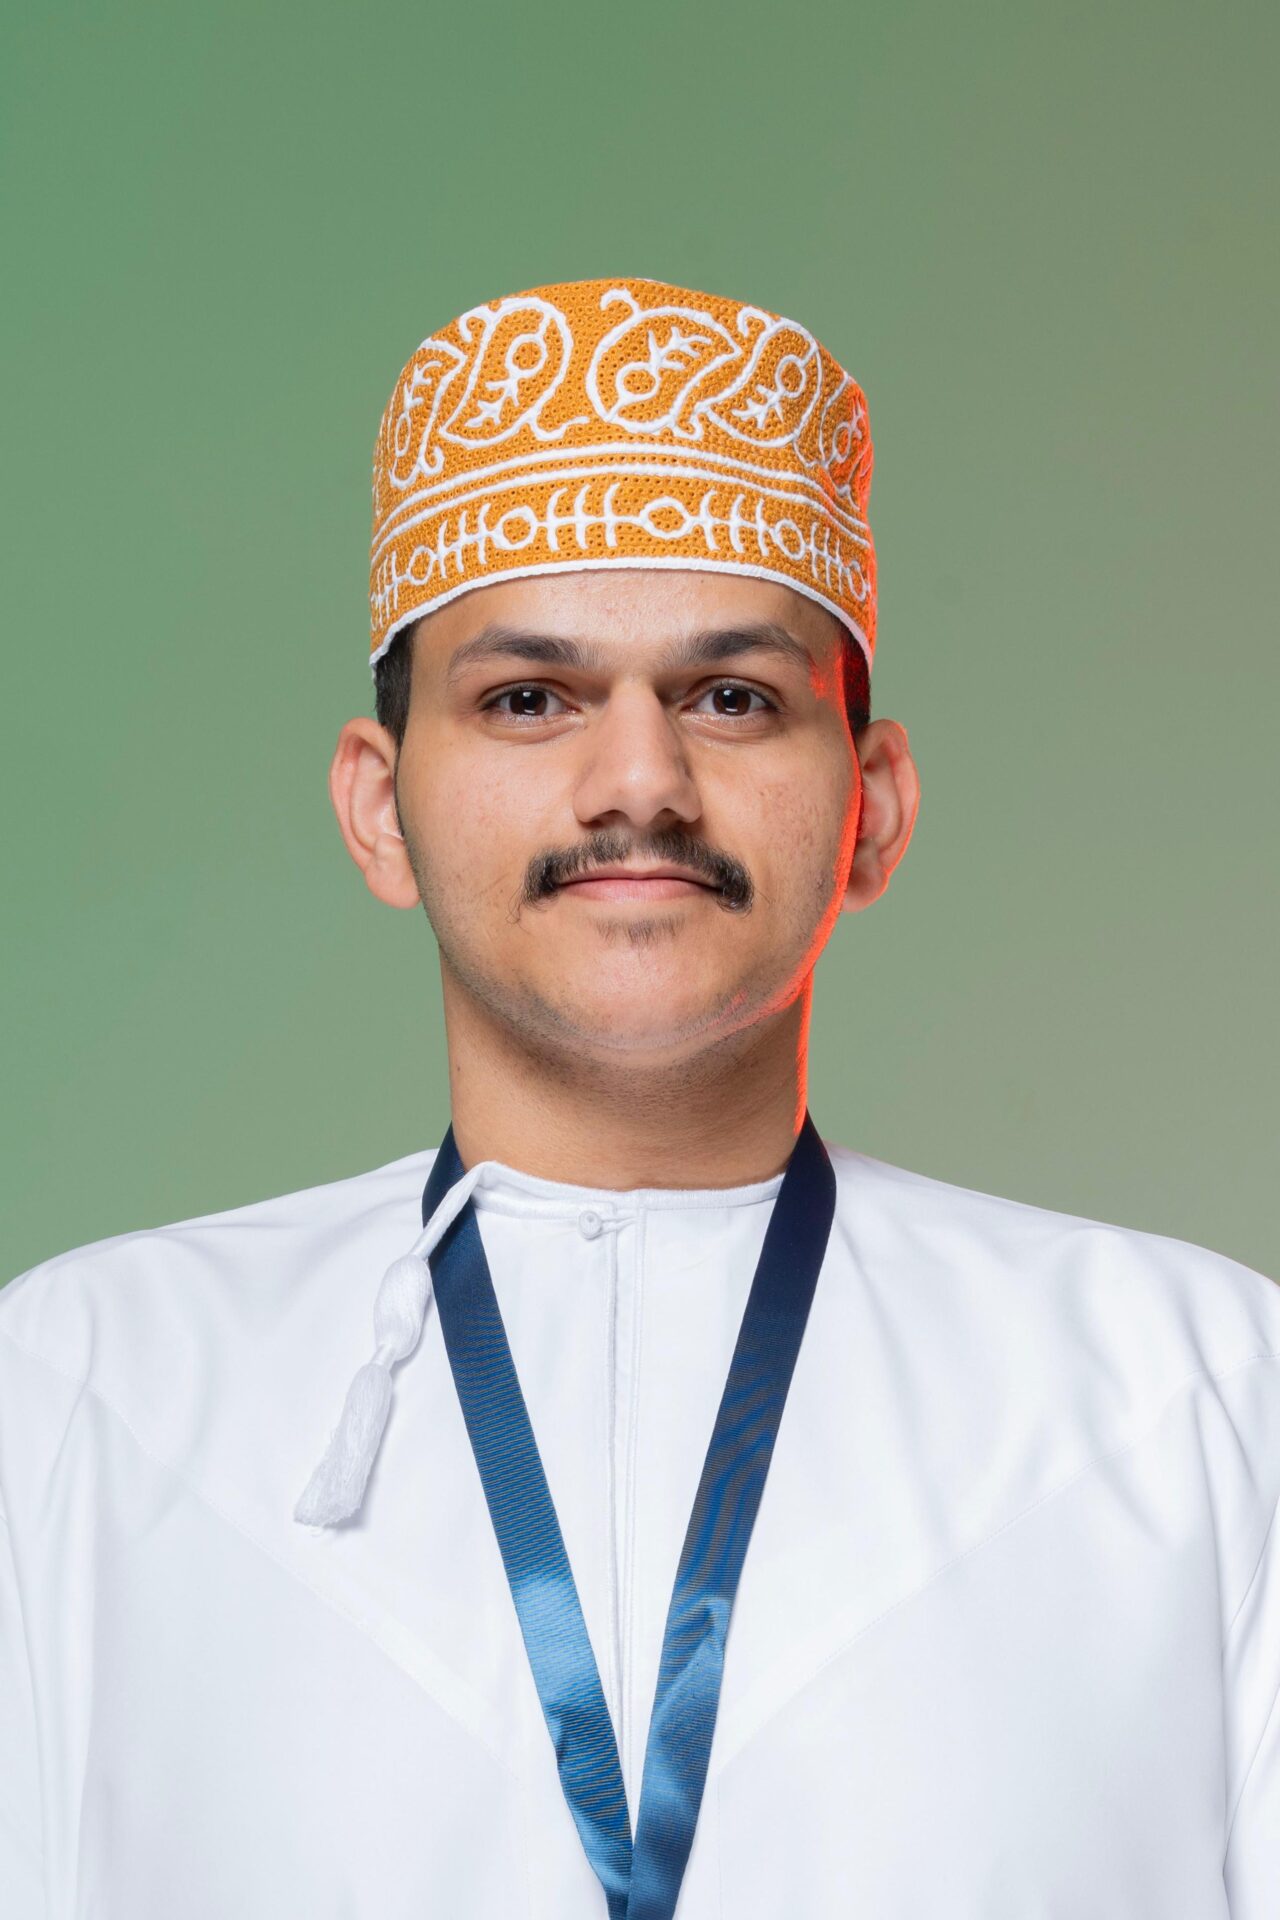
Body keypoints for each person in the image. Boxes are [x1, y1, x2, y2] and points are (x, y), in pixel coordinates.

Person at [1, 276, 1276, 1919]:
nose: (640, 783)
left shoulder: (1196, 1398)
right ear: (380, 810)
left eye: (731, 697)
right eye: (528, 698)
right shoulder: (80, 1395)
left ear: (875, 805)